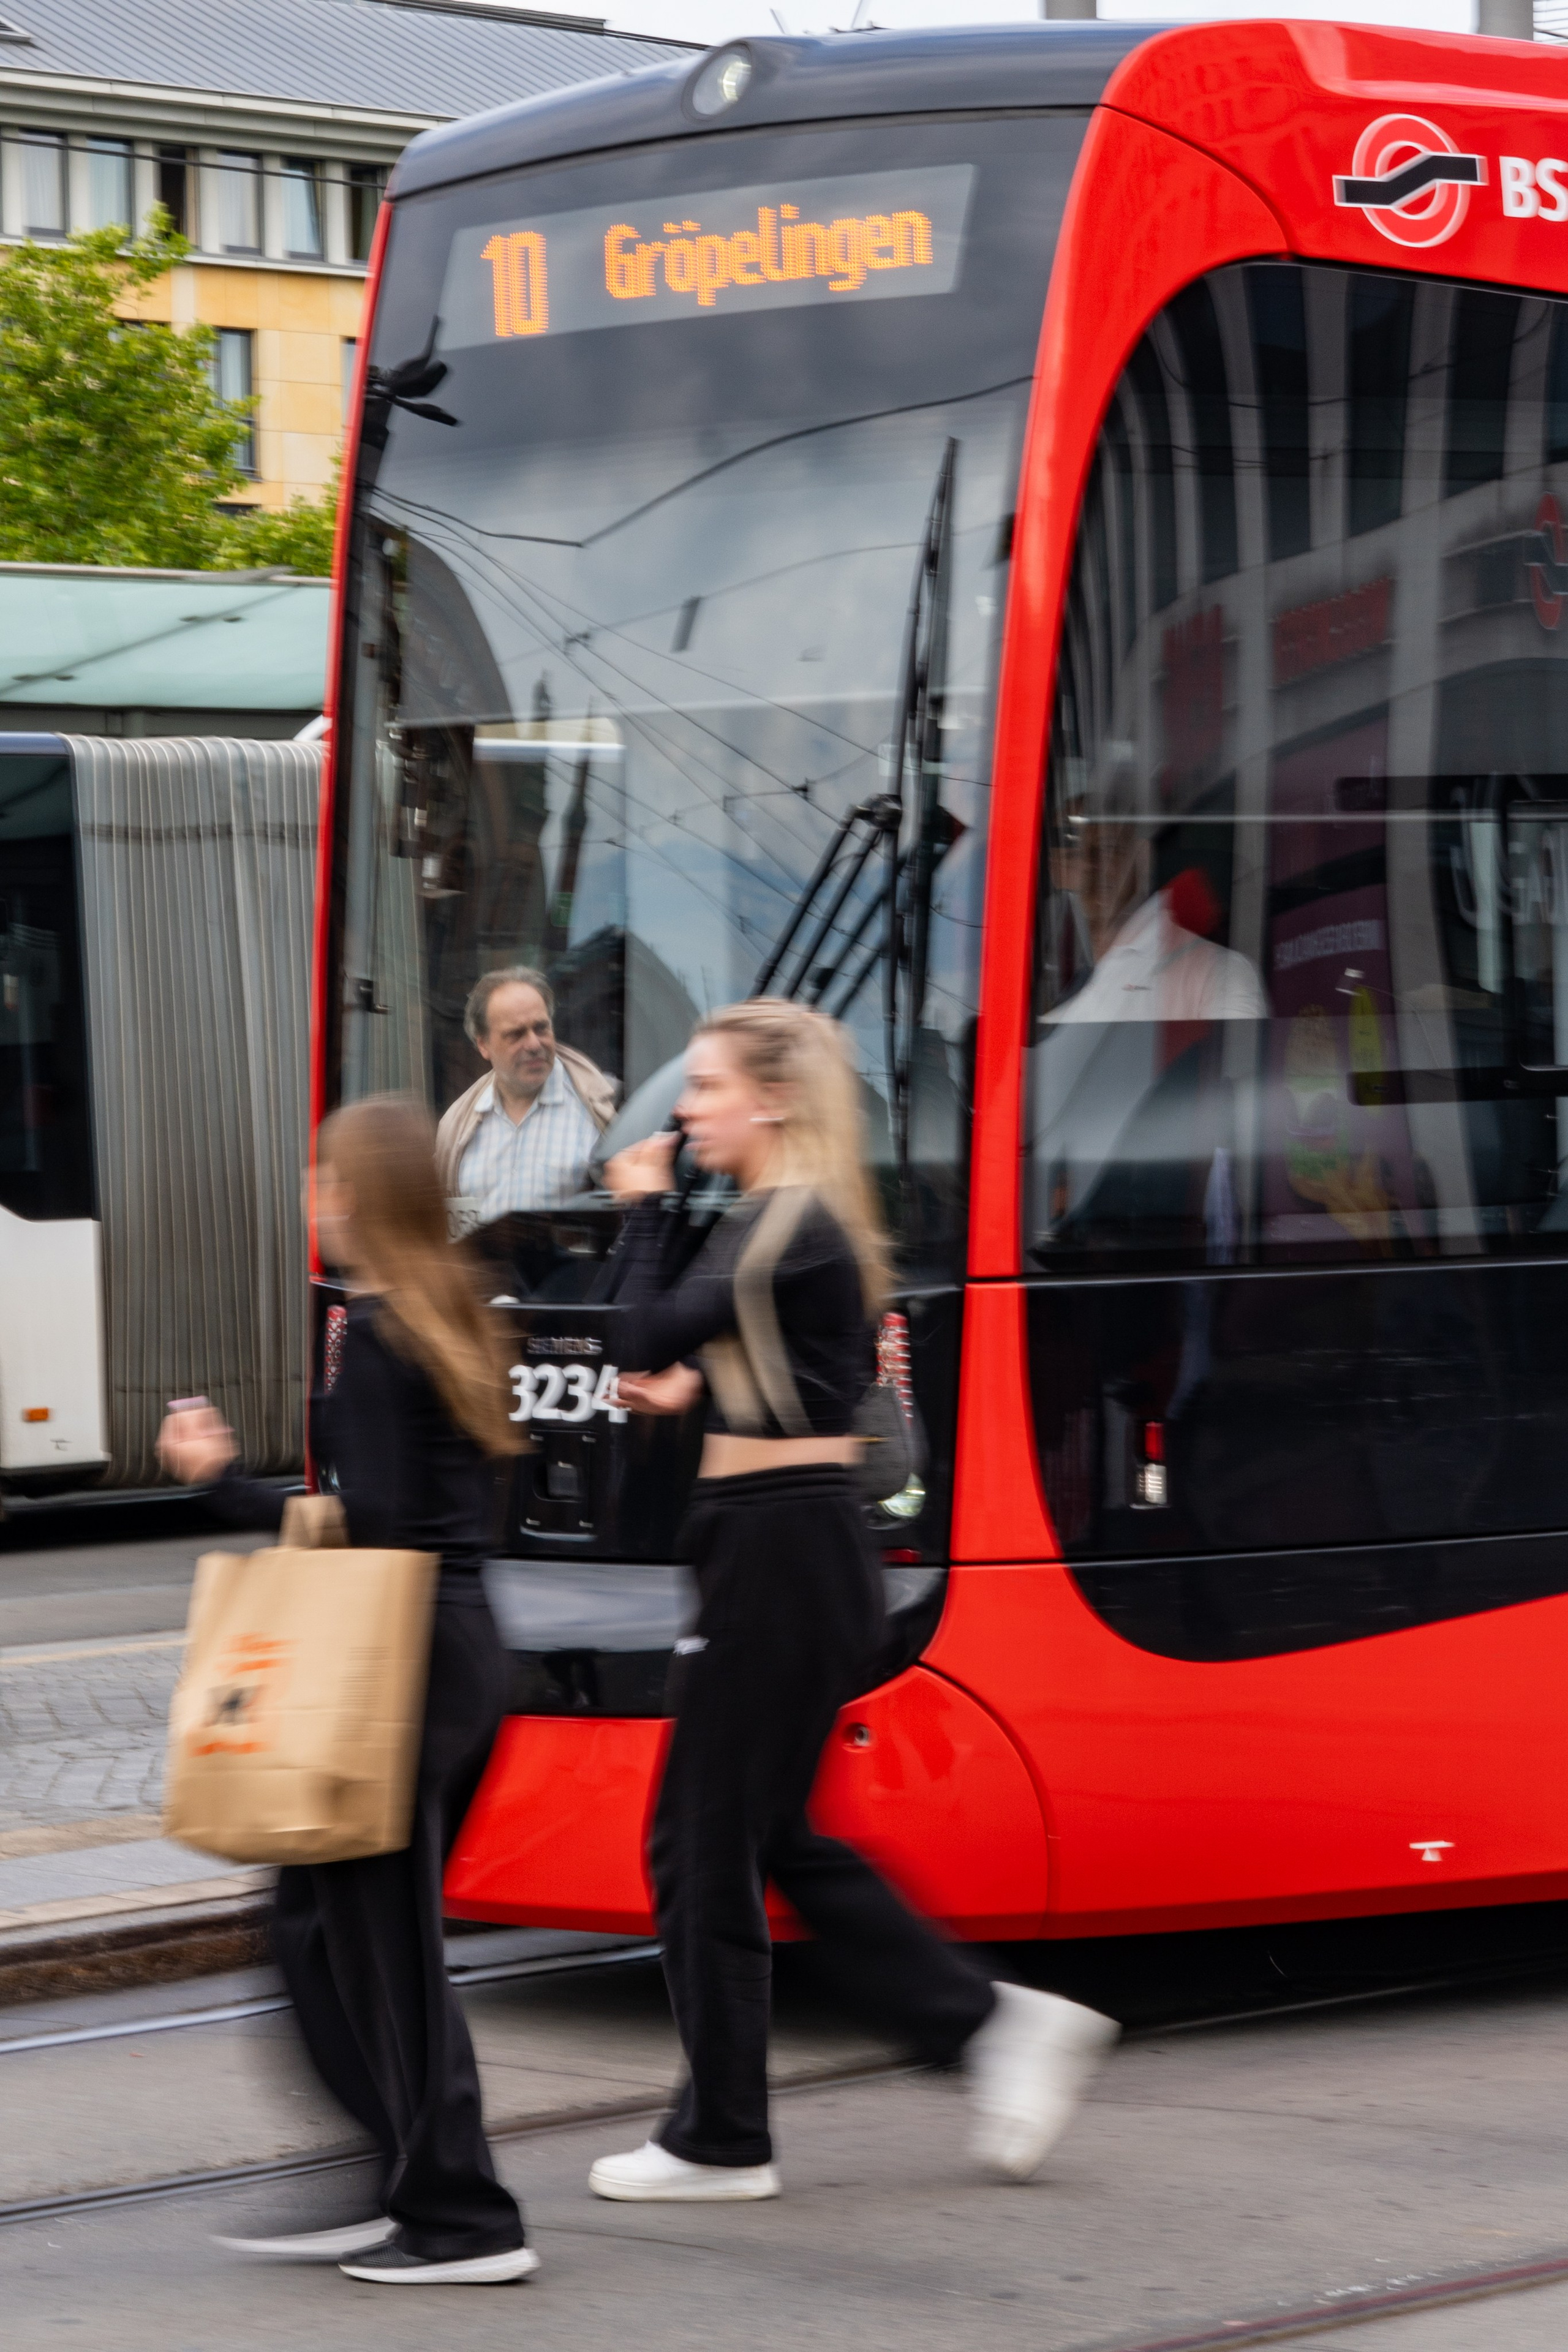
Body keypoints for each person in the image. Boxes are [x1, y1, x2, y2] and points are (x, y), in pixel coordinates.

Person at [587, 998, 1117, 2203]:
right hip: (764, 1544)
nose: (683, 1108)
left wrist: (639, 1207)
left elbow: (636, 1328)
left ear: (770, 1100)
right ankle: (977, 2027)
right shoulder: (783, 1224)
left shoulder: (786, 1222)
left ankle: (725, 2136)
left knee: (700, 1841)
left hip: (777, 1553)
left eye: (705, 1086)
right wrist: (694, 1382)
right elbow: (741, 1356)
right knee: (760, 1835)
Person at [156, 1096, 535, 2288]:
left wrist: (221, 1483)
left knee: (381, 1951)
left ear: (359, 1196)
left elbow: (358, 1532)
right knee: (323, 1933)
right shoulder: (452, 1313)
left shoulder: (379, 1332)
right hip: (455, 1647)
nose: (312, 1196)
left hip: (397, 1666)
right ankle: (402, 2172)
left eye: (325, 1178)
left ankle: (462, 2219)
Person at [435, 965, 616, 1217]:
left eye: (541, 1028)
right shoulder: (457, 1127)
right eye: (516, 1034)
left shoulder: (600, 1110)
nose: (533, 1044)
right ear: (484, 1045)